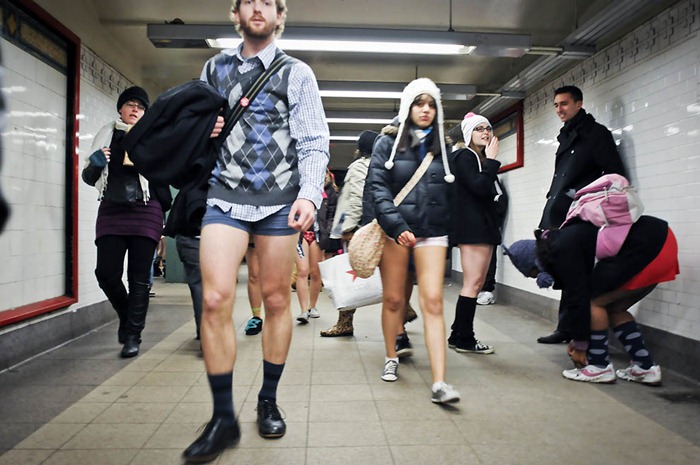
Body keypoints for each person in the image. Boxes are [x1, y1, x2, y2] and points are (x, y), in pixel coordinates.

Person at [182, 0, 329, 463]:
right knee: (214, 299)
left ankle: (267, 399)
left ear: (280, 15)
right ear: (237, 13)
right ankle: (223, 417)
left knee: (277, 298)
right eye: (250, 1)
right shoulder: (214, 69)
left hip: (280, 201)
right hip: (224, 196)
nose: (258, 8)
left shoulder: (296, 73)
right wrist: (206, 129)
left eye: (268, 2)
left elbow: (313, 140)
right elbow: (195, 125)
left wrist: (309, 195)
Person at [367, 77, 460, 404]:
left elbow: (452, 192)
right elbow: (377, 188)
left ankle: (440, 382)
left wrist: (450, 228)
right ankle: (391, 355)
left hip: (433, 232)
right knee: (394, 299)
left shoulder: (443, 148)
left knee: (433, 301)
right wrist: (395, 224)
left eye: (431, 104)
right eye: (419, 103)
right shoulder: (387, 143)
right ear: (408, 107)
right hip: (397, 232)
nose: (425, 110)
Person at [508, 214, 678, 385]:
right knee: (614, 308)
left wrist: (580, 345)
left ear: (537, 263)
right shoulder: (564, 240)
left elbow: (578, 299)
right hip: (662, 242)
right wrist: (579, 337)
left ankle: (599, 366)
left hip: (648, 245)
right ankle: (645, 366)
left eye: (534, 274)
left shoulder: (561, 250)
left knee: (593, 302)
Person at [81, 86, 172, 358]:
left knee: (138, 277)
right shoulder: (107, 135)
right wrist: (96, 164)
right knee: (106, 273)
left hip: (146, 209)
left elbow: (166, 173)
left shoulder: (154, 138)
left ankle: (133, 335)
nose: (135, 109)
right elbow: (89, 178)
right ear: (120, 108)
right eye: (131, 104)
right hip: (112, 209)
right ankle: (125, 315)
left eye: (140, 107)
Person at [537, 85, 627, 344]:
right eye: (556, 105)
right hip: (559, 211)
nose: (559, 109)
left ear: (579, 104)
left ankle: (578, 333)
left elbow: (615, 175)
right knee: (564, 270)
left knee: (576, 273)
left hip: (582, 214)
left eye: (564, 104)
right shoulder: (566, 135)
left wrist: (582, 195)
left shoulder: (596, 134)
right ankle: (566, 328)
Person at [446, 113, 500, 354]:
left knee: (474, 283)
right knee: (473, 283)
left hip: (478, 226)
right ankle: (465, 339)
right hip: (474, 227)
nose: (485, 132)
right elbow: (479, 187)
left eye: (488, 128)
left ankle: (458, 334)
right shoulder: (466, 156)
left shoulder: (474, 157)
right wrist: (492, 161)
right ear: (468, 133)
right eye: (479, 129)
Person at [477, 175, 508, 306]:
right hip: (474, 228)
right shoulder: (471, 177)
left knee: (488, 260)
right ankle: (479, 289)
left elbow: (501, 200)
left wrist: (492, 220)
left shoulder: (490, 178)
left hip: (488, 228)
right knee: (477, 261)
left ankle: (487, 291)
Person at [244, 243, 264, 335]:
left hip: (276, 237)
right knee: (254, 275)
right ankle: (256, 317)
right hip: (252, 238)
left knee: (275, 276)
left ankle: (277, 316)